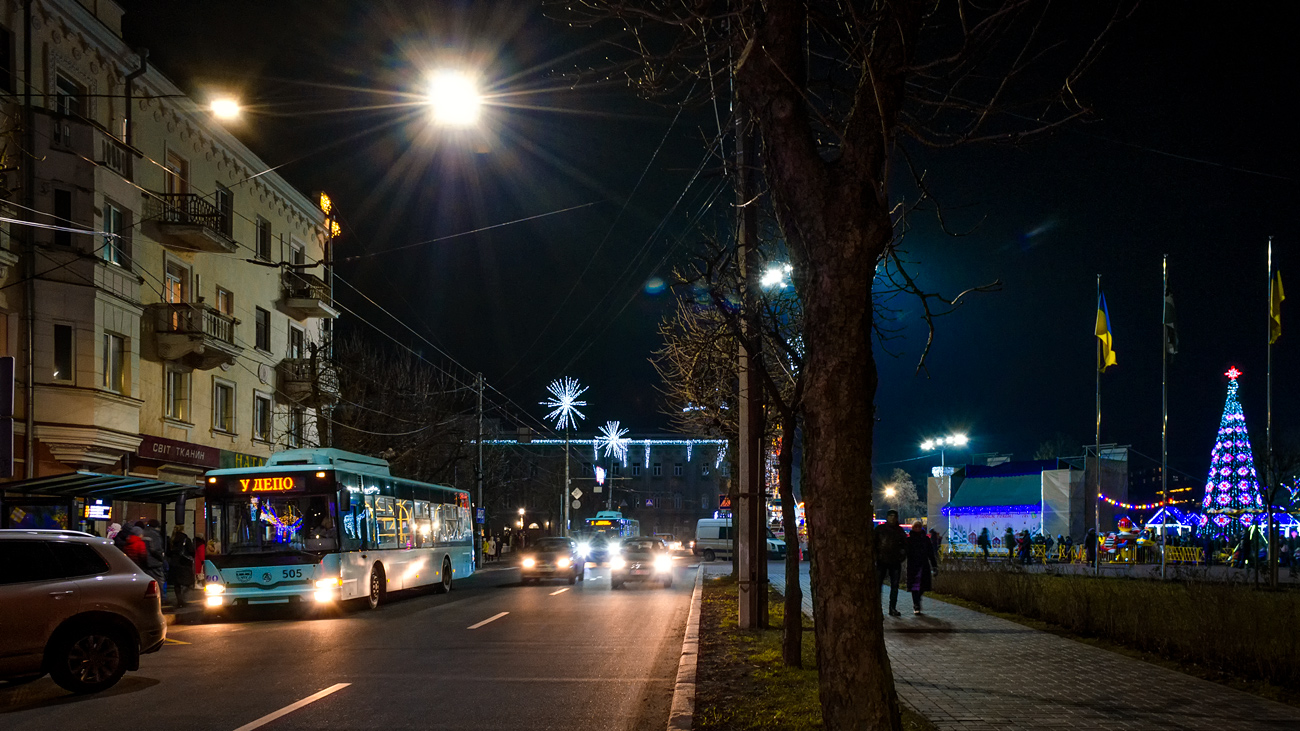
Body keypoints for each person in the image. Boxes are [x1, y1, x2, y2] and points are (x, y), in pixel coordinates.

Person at [874, 509, 907, 617]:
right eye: (890, 516)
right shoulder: (880, 529)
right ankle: (877, 608)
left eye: (894, 516)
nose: (892, 518)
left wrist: (901, 556)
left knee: (894, 586)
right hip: (881, 561)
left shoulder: (899, 531)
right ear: (887, 517)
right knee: (878, 586)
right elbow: (874, 543)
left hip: (894, 561)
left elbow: (904, 546)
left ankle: (892, 608)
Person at [905, 522, 939, 615]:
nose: (917, 528)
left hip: (923, 565)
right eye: (915, 527)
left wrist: (934, 565)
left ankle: (918, 598)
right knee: (914, 586)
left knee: (923, 585)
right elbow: (906, 552)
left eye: (919, 527)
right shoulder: (909, 540)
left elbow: (930, 553)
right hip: (913, 565)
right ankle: (916, 604)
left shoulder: (925, 539)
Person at [167, 527, 195, 608]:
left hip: (174, 564)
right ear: (183, 530)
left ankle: (180, 601)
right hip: (184, 564)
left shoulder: (172, 540)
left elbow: (168, 553)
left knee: (177, 584)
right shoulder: (186, 539)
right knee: (189, 583)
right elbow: (191, 551)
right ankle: (183, 599)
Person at [138, 519, 167, 588]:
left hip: (143, 562)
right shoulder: (155, 534)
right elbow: (156, 549)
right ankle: (161, 598)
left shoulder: (143, 533)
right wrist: (161, 558)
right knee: (159, 583)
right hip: (154, 563)